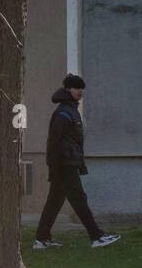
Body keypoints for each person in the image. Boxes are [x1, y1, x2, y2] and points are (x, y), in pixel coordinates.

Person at [33, 73, 120, 249]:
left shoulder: (71, 110)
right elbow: (54, 142)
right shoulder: (63, 113)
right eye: (76, 88)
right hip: (64, 165)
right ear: (68, 89)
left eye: (81, 88)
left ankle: (41, 240)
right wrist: (54, 167)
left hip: (68, 163)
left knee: (55, 201)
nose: (80, 91)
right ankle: (97, 237)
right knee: (79, 199)